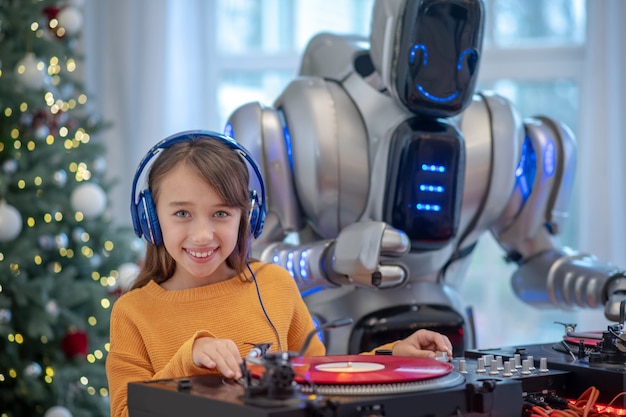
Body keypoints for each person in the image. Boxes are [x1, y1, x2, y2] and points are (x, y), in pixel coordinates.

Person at [106, 130, 454, 417]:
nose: (202, 235)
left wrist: (393, 358)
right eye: (182, 213)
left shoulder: (274, 285)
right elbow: (124, 412)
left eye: (221, 214)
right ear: (151, 219)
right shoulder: (133, 312)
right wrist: (190, 359)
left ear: (247, 218)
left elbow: (319, 378)